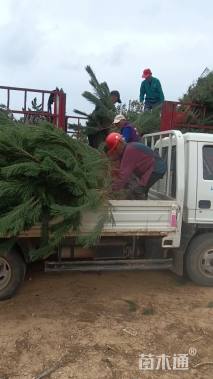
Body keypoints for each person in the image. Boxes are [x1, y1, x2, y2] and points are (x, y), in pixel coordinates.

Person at [105, 132, 166, 199]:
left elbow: (123, 176)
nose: (115, 152)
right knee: (139, 188)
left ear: (120, 143)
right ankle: (143, 204)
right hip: (152, 168)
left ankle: (141, 208)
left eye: (115, 149)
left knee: (138, 190)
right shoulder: (127, 149)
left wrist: (110, 191)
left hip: (155, 168)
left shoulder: (129, 151)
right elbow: (121, 172)